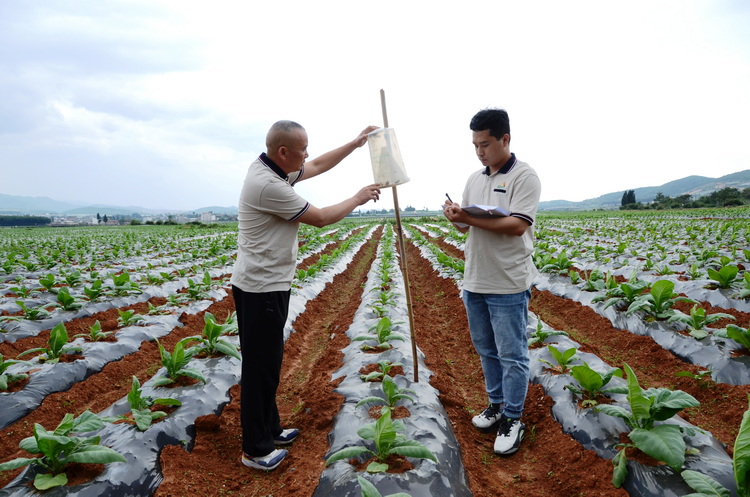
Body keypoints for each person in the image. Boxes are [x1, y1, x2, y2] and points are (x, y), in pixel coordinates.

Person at [230, 120, 381, 471]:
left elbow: (316, 165)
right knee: (260, 368)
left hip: (268, 284)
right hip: (260, 287)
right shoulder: (268, 185)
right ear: (283, 152)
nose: (308, 154)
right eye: (303, 147)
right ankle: (255, 449)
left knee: (268, 363)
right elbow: (322, 218)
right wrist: (359, 197)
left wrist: (355, 143)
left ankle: (271, 428)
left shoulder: (274, 169)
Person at [442, 108, 541, 455]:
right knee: (486, 349)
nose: (480, 151)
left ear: (505, 139)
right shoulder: (474, 179)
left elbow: (516, 225)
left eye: (485, 144)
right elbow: (467, 226)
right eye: (475, 145)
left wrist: (472, 218)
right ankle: (497, 405)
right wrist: (457, 216)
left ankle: (513, 417)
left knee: (512, 354)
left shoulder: (524, 177)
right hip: (475, 280)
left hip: (508, 283)